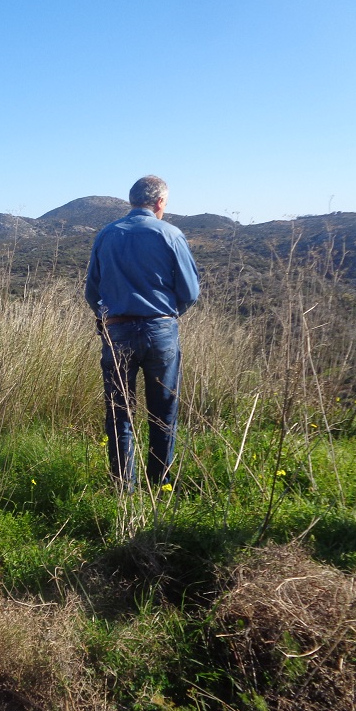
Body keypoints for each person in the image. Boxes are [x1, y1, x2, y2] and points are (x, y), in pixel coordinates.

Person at [84, 176, 200, 490]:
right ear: (160, 202)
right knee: (163, 410)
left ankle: (123, 487)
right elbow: (189, 291)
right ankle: (158, 485)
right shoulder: (171, 234)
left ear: (132, 200)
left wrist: (106, 317)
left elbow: (92, 291)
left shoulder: (107, 235)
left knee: (120, 411)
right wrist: (166, 316)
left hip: (117, 331)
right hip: (160, 330)